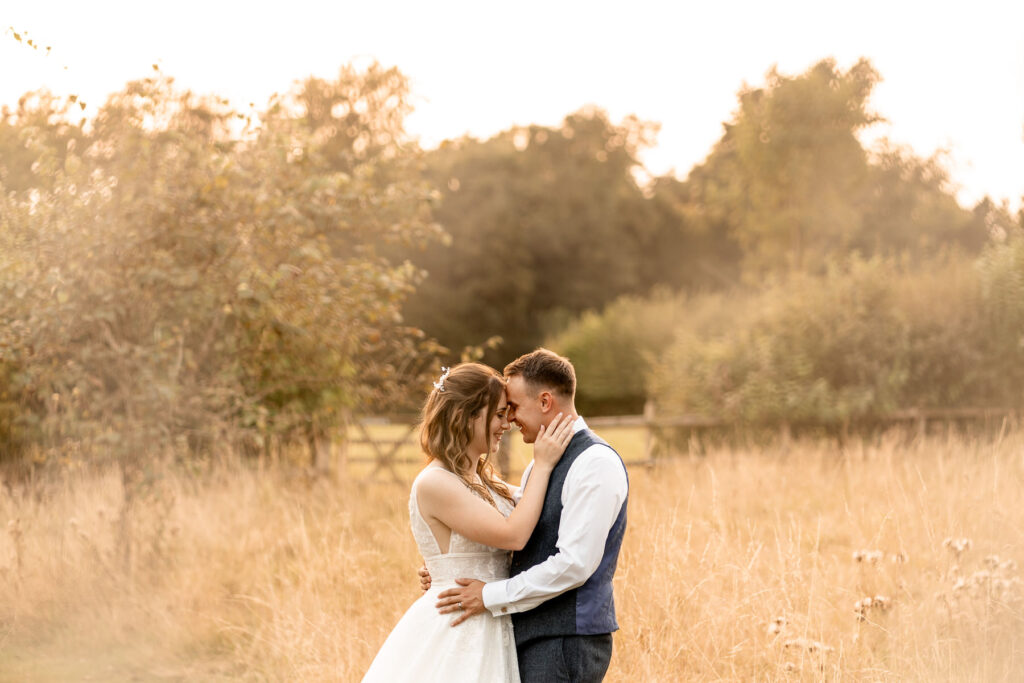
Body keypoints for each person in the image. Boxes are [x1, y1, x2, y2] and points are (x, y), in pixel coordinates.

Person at [362, 362, 575, 683]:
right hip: (458, 626)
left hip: (489, 618)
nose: (508, 424)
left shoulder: (486, 481)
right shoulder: (435, 482)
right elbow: (514, 535)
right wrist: (542, 465)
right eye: (499, 414)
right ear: (466, 416)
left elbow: (534, 513)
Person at [426, 349, 629, 682]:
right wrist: (451, 564)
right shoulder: (541, 463)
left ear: (545, 402)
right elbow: (508, 523)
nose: (510, 420)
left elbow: (575, 563)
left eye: (515, 408)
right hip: (531, 637)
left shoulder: (595, 463)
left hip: (566, 641)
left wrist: (488, 595)